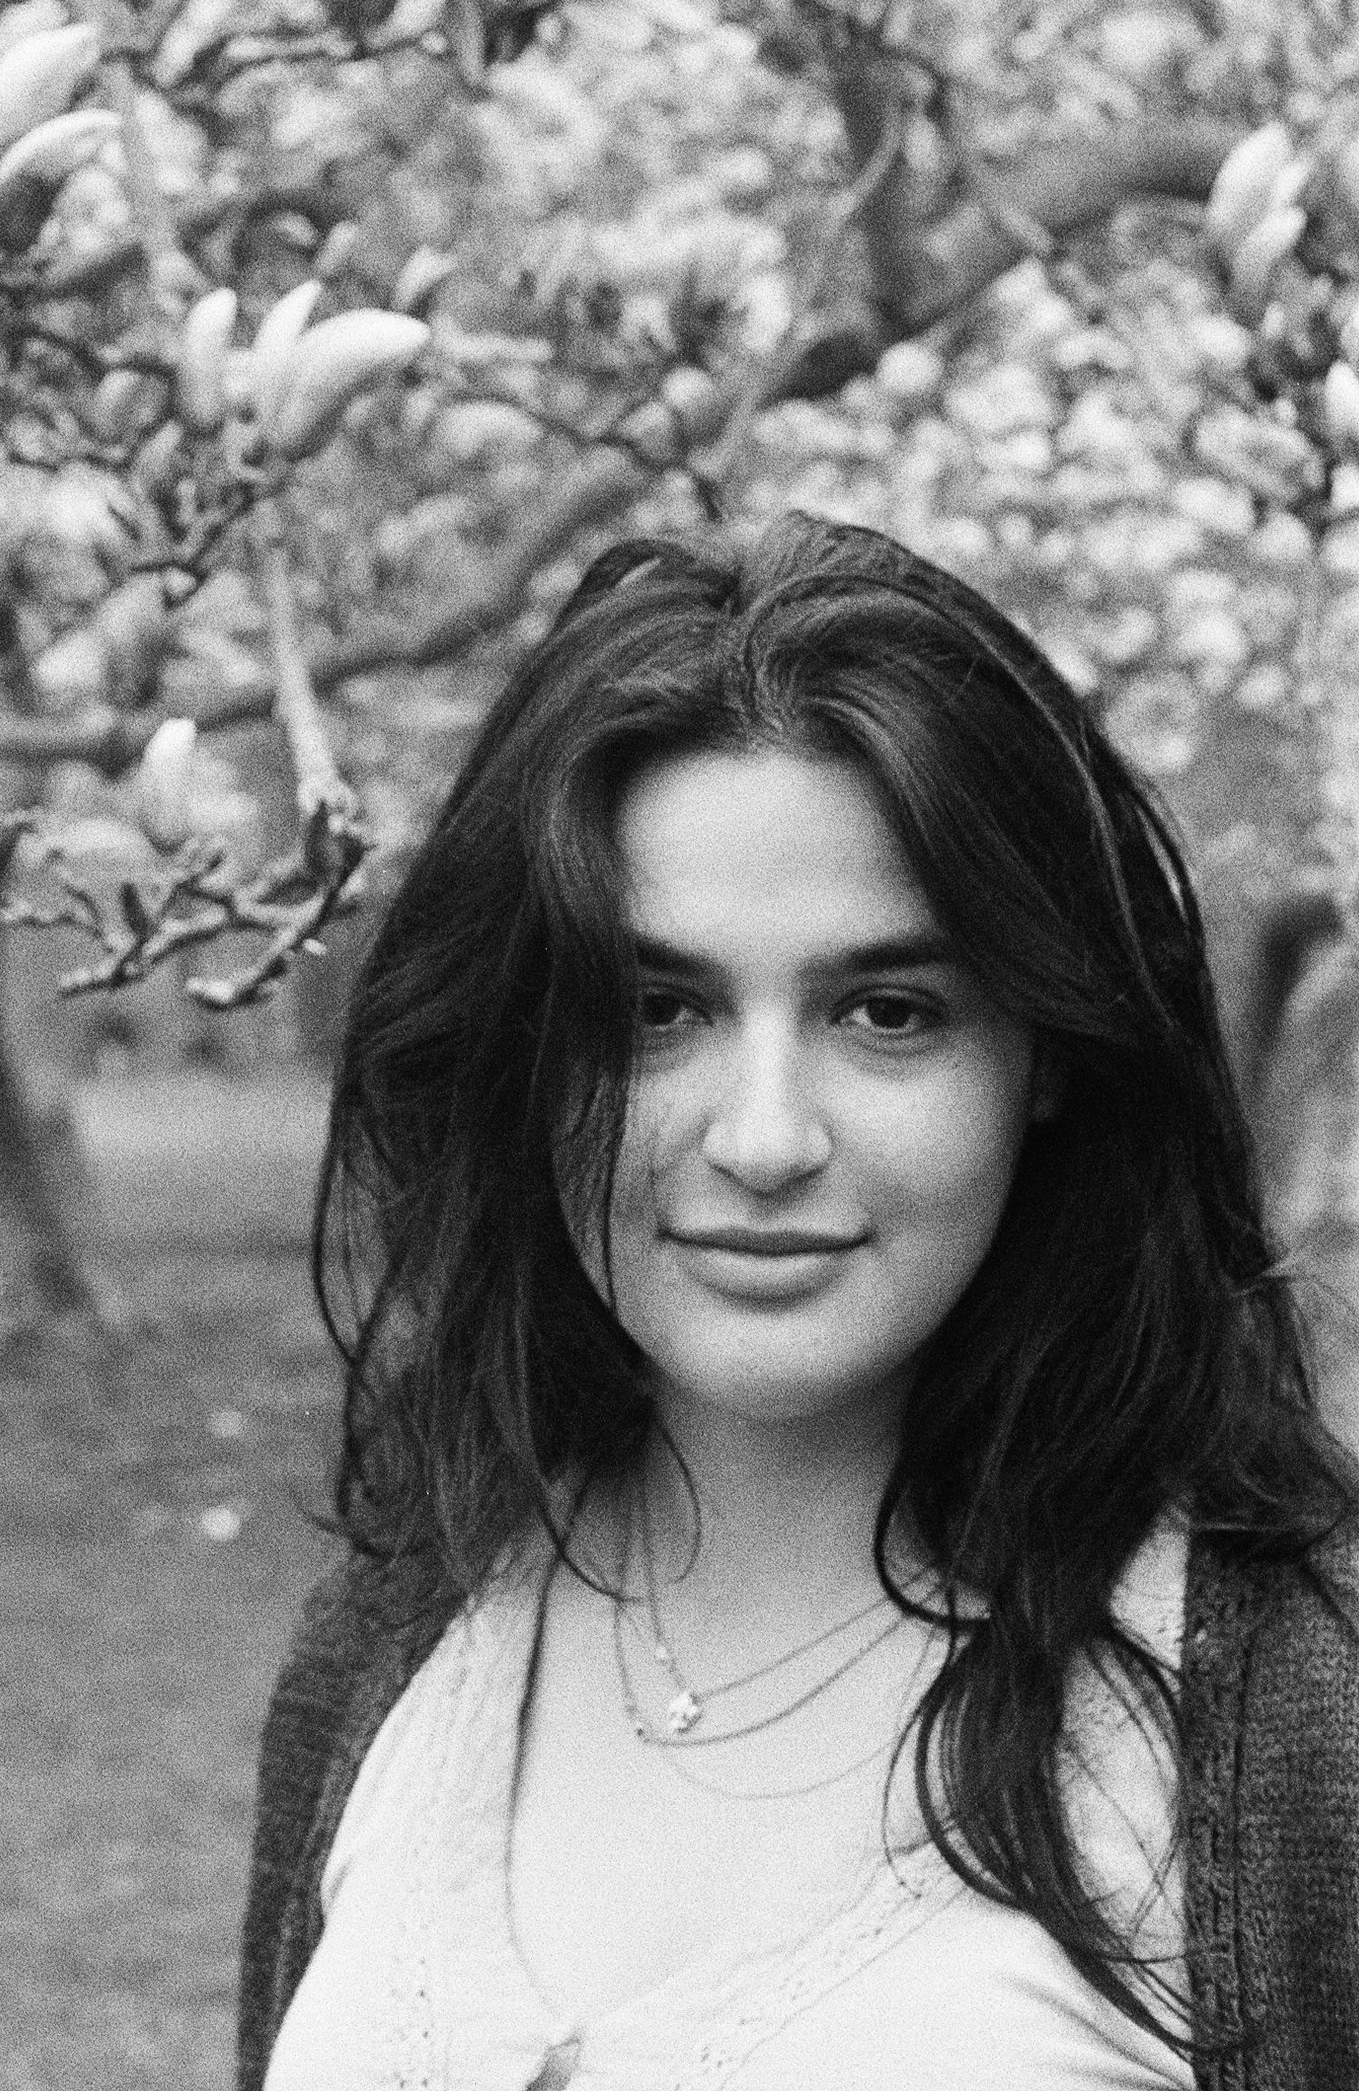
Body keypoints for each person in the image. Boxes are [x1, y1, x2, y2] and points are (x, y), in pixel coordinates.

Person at [236, 517, 1359, 2091]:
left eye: (887, 1012)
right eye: (655, 1010)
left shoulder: (1299, 1711)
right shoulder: (395, 1636)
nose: (763, 1139)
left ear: (1046, 1055)